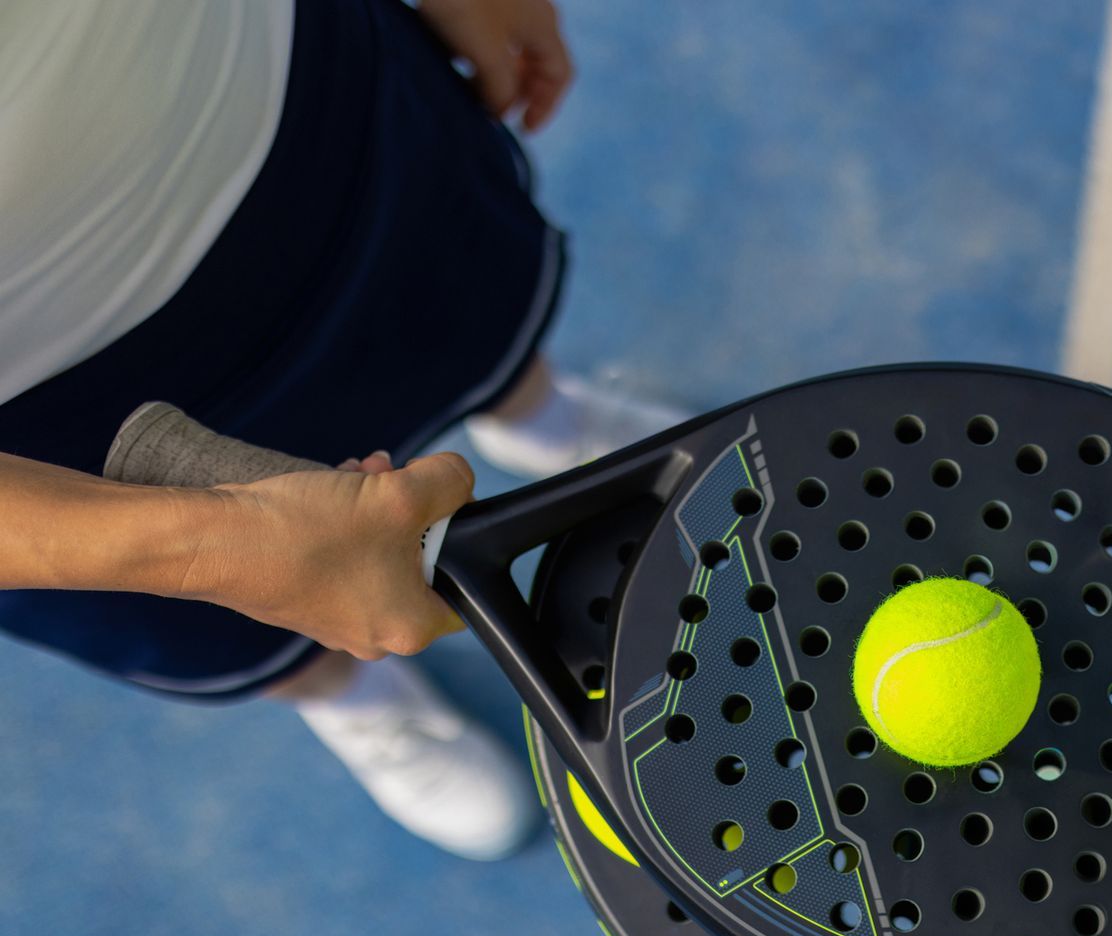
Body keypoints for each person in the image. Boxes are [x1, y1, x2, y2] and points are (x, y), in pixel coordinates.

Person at [0, 0, 678, 859]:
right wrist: (201, 549)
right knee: (248, 615)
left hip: (299, 101)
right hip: (41, 424)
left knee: (473, 325)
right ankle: (350, 693)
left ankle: (552, 427)